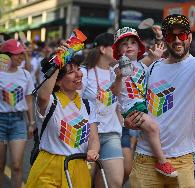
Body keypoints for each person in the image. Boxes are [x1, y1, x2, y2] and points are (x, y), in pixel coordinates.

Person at [124, 14, 195, 187]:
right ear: (165, 39)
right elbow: (134, 99)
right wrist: (129, 120)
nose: (177, 40)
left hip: (182, 159)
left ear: (190, 37)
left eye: (182, 35)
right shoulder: (153, 66)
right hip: (146, 158)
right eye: (171, 36)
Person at [25, 42, 100, 188]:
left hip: (78, 169)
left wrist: (93, 150)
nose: (79, 74)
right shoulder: (51, 101)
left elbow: (94, 138)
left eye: (78, 69)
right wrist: (58, 61)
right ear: (58, 81)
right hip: (49, 169)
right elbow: (42, 97)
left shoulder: (88, 105)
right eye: (71, 72)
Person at [111, 27, 178, 177]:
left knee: (155, 129)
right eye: (124, 44)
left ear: (139, 47)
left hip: (145, 105)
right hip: (130, 108)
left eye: (133, 43)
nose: (129, 46)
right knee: (153, 127)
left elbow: (159, 51)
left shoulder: (142, 64)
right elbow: (114, 92)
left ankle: (156, 158)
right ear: (118, 50)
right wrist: (119, 77)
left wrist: (160, 36)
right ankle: (162, 162)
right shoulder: (116, 68)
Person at [81, 33, 125, 188]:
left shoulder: (116, 73)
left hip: (111, 133)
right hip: (88, 136)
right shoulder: (84, 73)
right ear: (102, 49)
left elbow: (118, 102)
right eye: (115, 47)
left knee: (115, 181)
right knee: (85, 182)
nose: (119, 51)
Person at [0, 39, 35, 188]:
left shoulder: (26, 75)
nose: (20, 57)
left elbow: (28, 101)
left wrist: (31, 122)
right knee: (0, 166)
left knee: (16, 165)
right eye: (16, 54)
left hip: (18, 122)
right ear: (6, 55)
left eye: (22, 54)